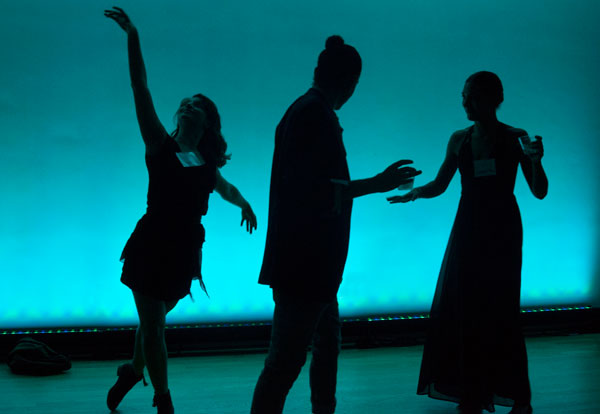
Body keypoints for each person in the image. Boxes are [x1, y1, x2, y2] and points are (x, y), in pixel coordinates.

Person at [251, 35, 421, 414]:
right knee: (286, 362)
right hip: (308, 264)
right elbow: (324, 191)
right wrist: (378, 184)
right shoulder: (317, 116)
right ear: (351, 82)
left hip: (308, 264)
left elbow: (314, 189)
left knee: (320, 347)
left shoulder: (304, 111)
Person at [104, 7, 257, 414]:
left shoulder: (206, 166)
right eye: (185, 102)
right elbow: (141, 87)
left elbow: (226, 188)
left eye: (197, 104)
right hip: (153, 243)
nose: (187, 105)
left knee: (153, 320)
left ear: (208, 122)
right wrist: (132, 34)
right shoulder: (160, 144)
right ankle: (163, 399)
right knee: (153, 324)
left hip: (184, 250)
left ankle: (135, 369)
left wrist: (245, 204)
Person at [388, 71, 548, 414]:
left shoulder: (514, 137)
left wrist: (536, 162)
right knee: (468, 310)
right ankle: (473, 393)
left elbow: (539, 190)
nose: (464, 101)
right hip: (470, 229)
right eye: (464, 95)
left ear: (492, 99)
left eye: (470, 96)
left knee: (502, 309)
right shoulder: (459, 139)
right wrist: (414, 193)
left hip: (502, 230)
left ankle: (518, 398)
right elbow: (441, 183)